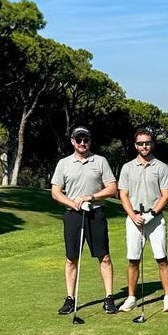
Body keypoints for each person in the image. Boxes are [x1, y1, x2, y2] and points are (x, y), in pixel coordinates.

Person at [51, 126, 119, 315]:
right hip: (73, 214)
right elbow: (55, 192)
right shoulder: (64, 163)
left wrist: (91, 197)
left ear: (90, 141)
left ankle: (109, 298)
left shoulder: (100, 161)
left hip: (96, 213)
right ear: (73, 141)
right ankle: (70, 299)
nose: (82, 143)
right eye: (79, 139)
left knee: (104, 257)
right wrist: (72, 203)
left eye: (86, 139)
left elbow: (112, 188)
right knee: (71, 258)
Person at [117, 129, 168, 313]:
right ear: (136, 146)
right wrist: (133, 216)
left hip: (155, 219)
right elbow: (123, 194)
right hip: (134, 218)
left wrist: (153, 213)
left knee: (162, 259)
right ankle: (131, 297)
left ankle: (167, 298)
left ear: (152, 144)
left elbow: (166, 194)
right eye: (141, 143)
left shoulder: (161, 167)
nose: (144, 146)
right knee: (133, 260)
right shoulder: (127, 168)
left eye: (147, 143)